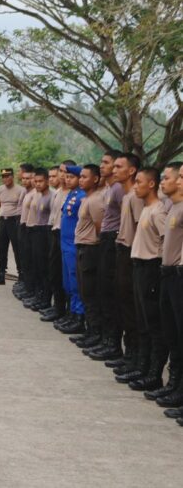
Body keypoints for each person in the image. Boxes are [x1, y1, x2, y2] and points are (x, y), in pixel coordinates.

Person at [126, 167, 168, 393]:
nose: (135, 186)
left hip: (151, 268)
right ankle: (142, 367)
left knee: (153, 324)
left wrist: (158, 269)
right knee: (141, 321)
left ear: (151, 184)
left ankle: (154, 374)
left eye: (139, 182)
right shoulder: (146, 208)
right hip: (139, 266)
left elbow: (166, 241)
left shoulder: (158, 211)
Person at [150, 162, 183, 408]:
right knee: (172, 332)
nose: (178, 181)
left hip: (178, 273)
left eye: (181, 177)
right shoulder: (173, 205)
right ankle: (174, 385)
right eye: (178, 176)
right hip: (168, 272)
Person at [87, 150, 124, 362]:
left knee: (110, 293)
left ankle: (113, 344)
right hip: (106, 239)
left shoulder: (119, 189)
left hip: (113, 240)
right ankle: (105, 339)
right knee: (102, 291)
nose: (103, 166)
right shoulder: (110, 187)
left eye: (107, 163)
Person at [113, 153, 145, 383]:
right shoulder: (127, 196)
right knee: (123, 304)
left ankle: (135, 358)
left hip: (132, 254)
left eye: (119, 166)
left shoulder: (136, 197)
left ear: (131, 171)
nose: (115, 170)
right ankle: (129, 354)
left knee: (132, 309)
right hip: (122, 249)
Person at [72, 164, 105, 352]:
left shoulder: (95, 201)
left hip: (90, 249)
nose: (81, 179)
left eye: (85, 177)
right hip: (82, 247)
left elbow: (100, 228)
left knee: (90, 294)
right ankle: (90, 331)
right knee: (85, 292)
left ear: (95, 179)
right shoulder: (87, 198)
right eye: (81, 176)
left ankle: (96, 333)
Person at [40, 161, 74, 322]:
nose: (61, 175)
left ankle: (67, 311)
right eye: (59, 172)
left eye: (64, 172)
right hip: (53, 232)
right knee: (54, 272)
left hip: (65, 236)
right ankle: (58, 307)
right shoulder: (59, 192)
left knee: (65, 275)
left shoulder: (73, 194)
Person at [55, 165, 86, 334]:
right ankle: (71, 313)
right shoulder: (71, 194)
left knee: (75, 283)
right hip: (64, 243)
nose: (68, 179)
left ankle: (79, 316)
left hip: (73, 244)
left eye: (72, 177)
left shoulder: (82, 196)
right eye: (66, 176)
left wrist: (69, 166)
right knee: (67, 283)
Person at [24, 168, 53, 310]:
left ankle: (46, 299)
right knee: (37, 266)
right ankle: (38, 295)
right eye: (36, 181)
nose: (37, 184)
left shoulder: (51, 197)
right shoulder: (40, 196)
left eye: (41, 181)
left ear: (47, 181)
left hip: (45, 233)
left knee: (44, 268)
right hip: (36, 231)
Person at [0, 168, 24, 285]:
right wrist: (2, 215)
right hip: (3, 220)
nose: (6, 179)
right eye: (3, 176)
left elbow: (22, 208)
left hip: (14, 221)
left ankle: (21, 275)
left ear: (12, 176)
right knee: (1, 247)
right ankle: (1, 274)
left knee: (17, 248)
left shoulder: (20, 190)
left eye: (8, 176)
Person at [13, 165, 36, 300]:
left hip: (33, 229)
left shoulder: (36, 194)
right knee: (23, 257)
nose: (26, 181)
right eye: (24, 178)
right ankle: (25, 284)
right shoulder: (26, 192)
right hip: (22, 225)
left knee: (32, 261)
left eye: (29, 178)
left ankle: (32, 289)